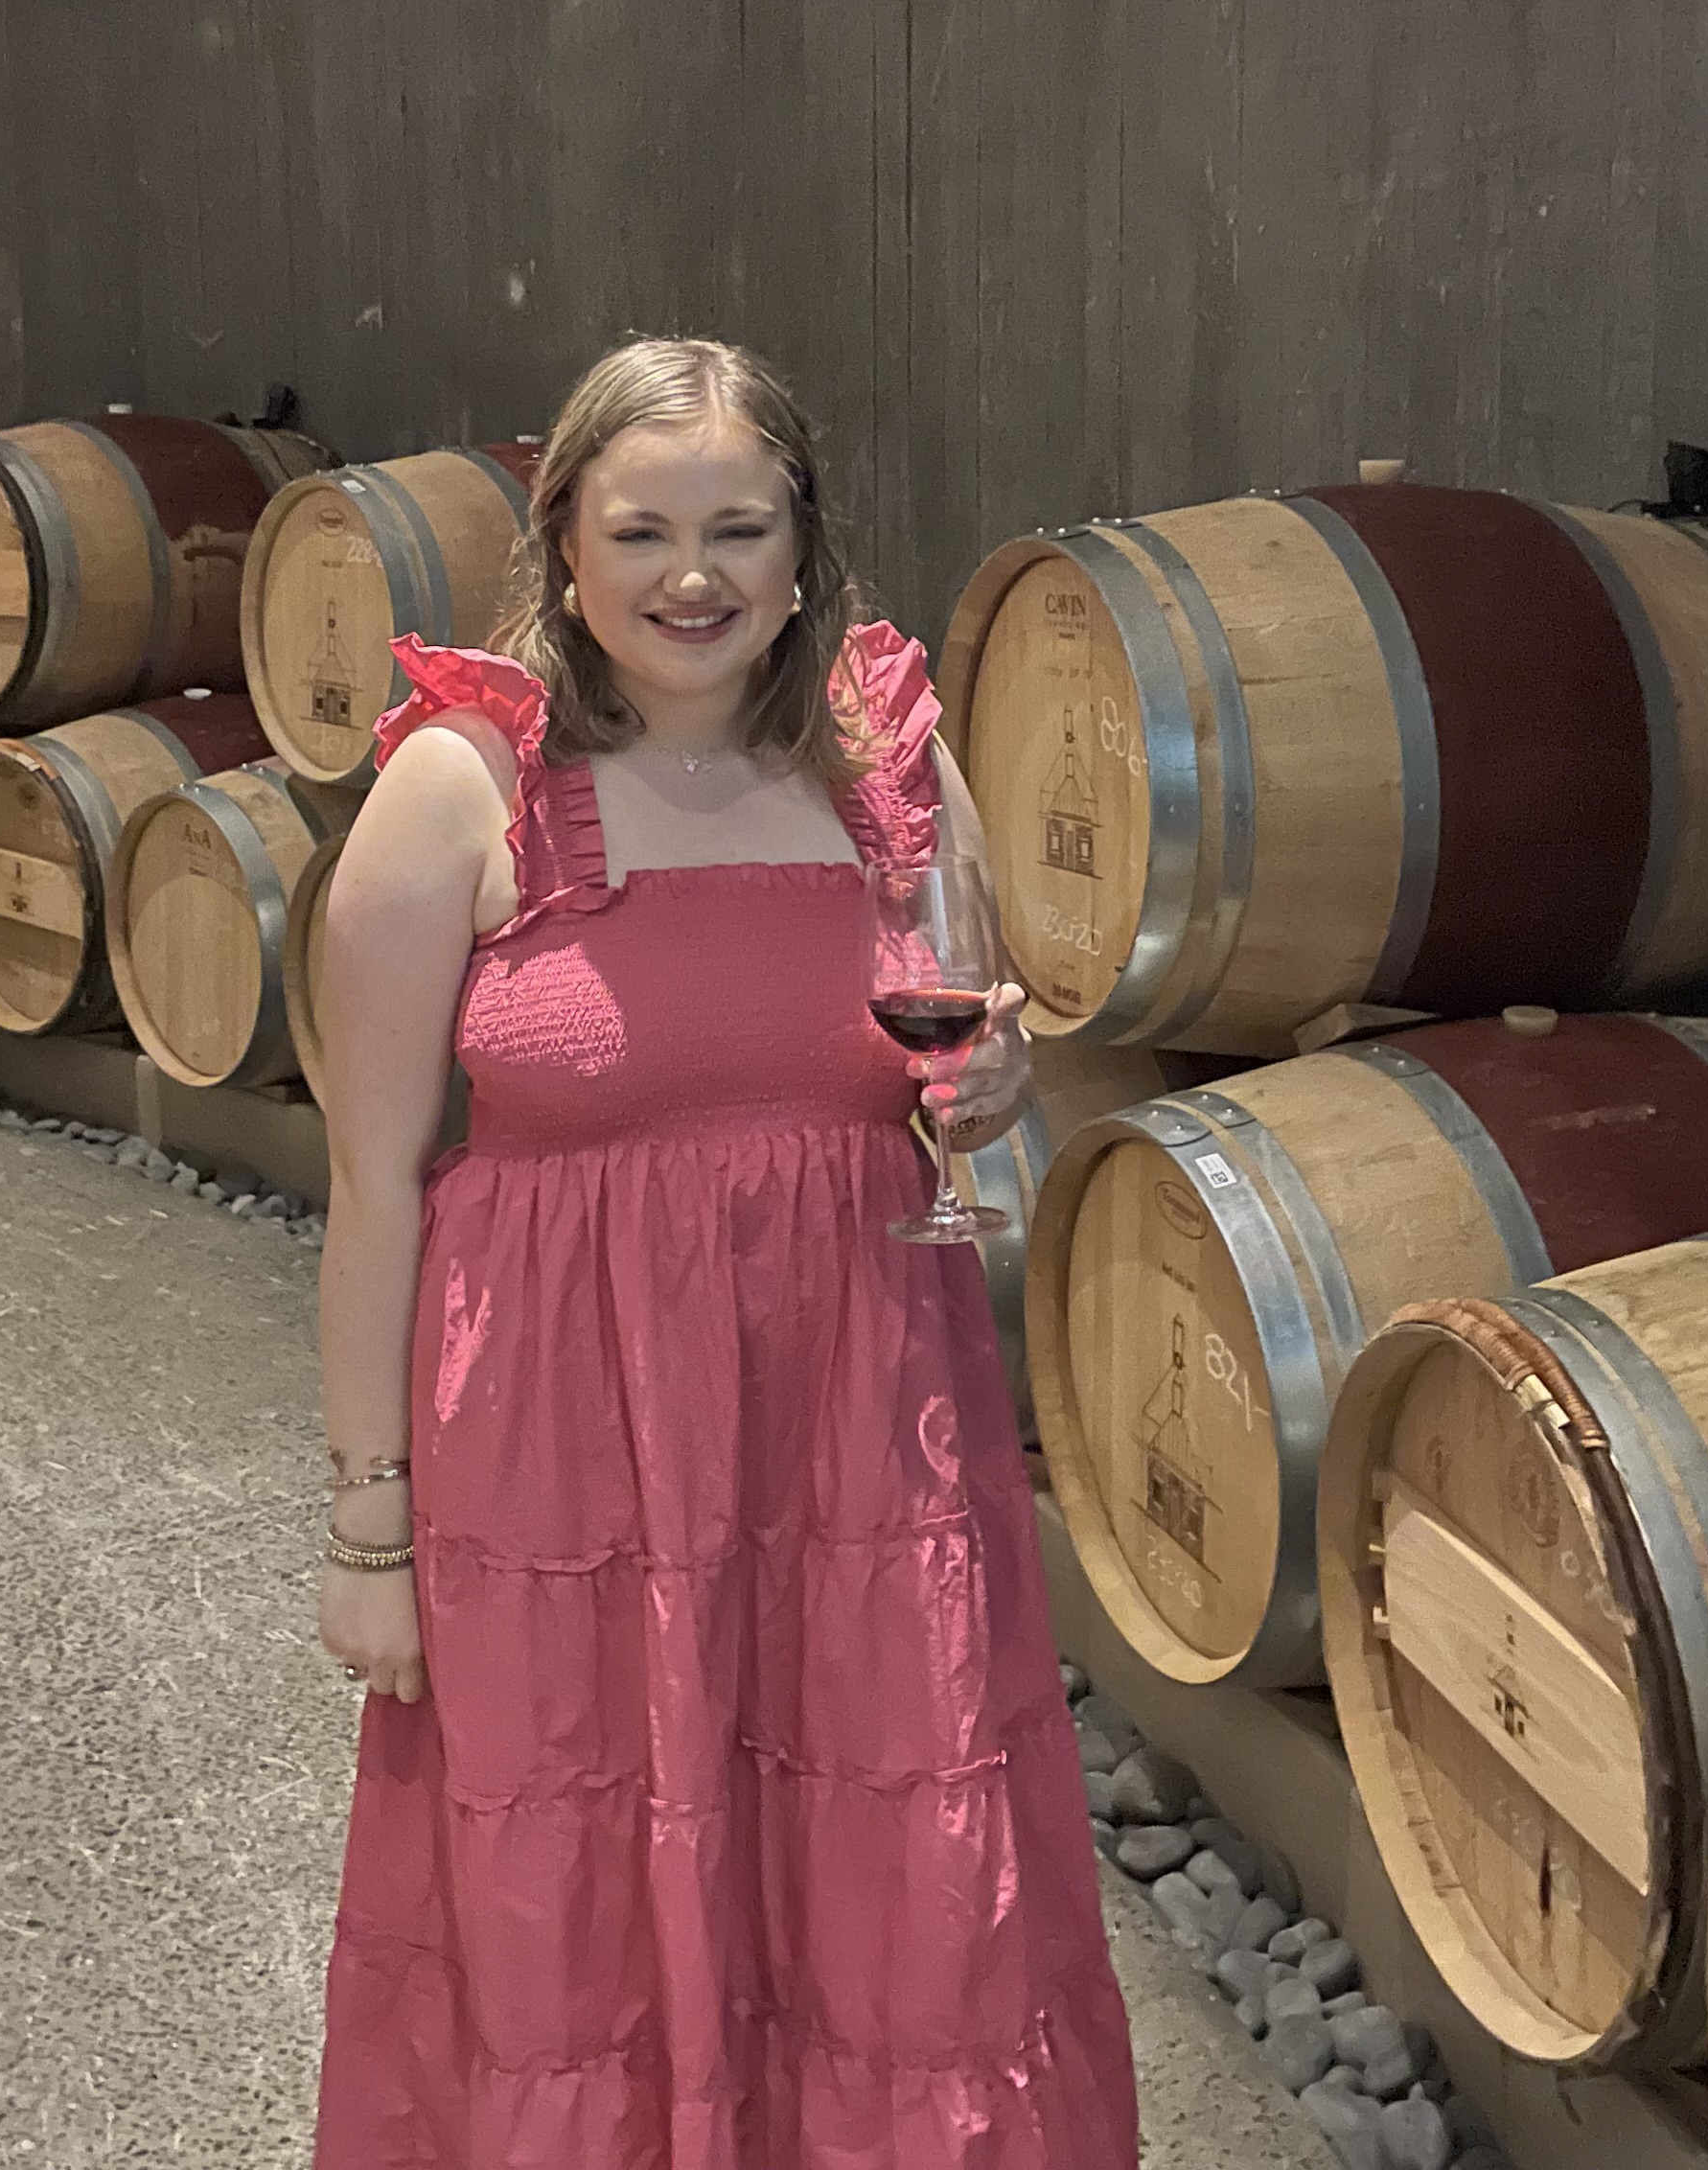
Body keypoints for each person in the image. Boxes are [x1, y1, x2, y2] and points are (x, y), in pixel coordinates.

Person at [309, 336, 1141, 2169]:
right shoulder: (462, 788)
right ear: (566, 544)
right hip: (558, 1471)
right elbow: (374, 1185)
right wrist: (370, 1535)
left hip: (859, 1452)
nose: (693, 578)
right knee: (574, 1895)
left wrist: (997, 1089)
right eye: (643, 532)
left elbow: (964, 1074)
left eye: (738, 529)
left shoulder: (889, 768)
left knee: (890, 1873)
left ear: (801, 540)